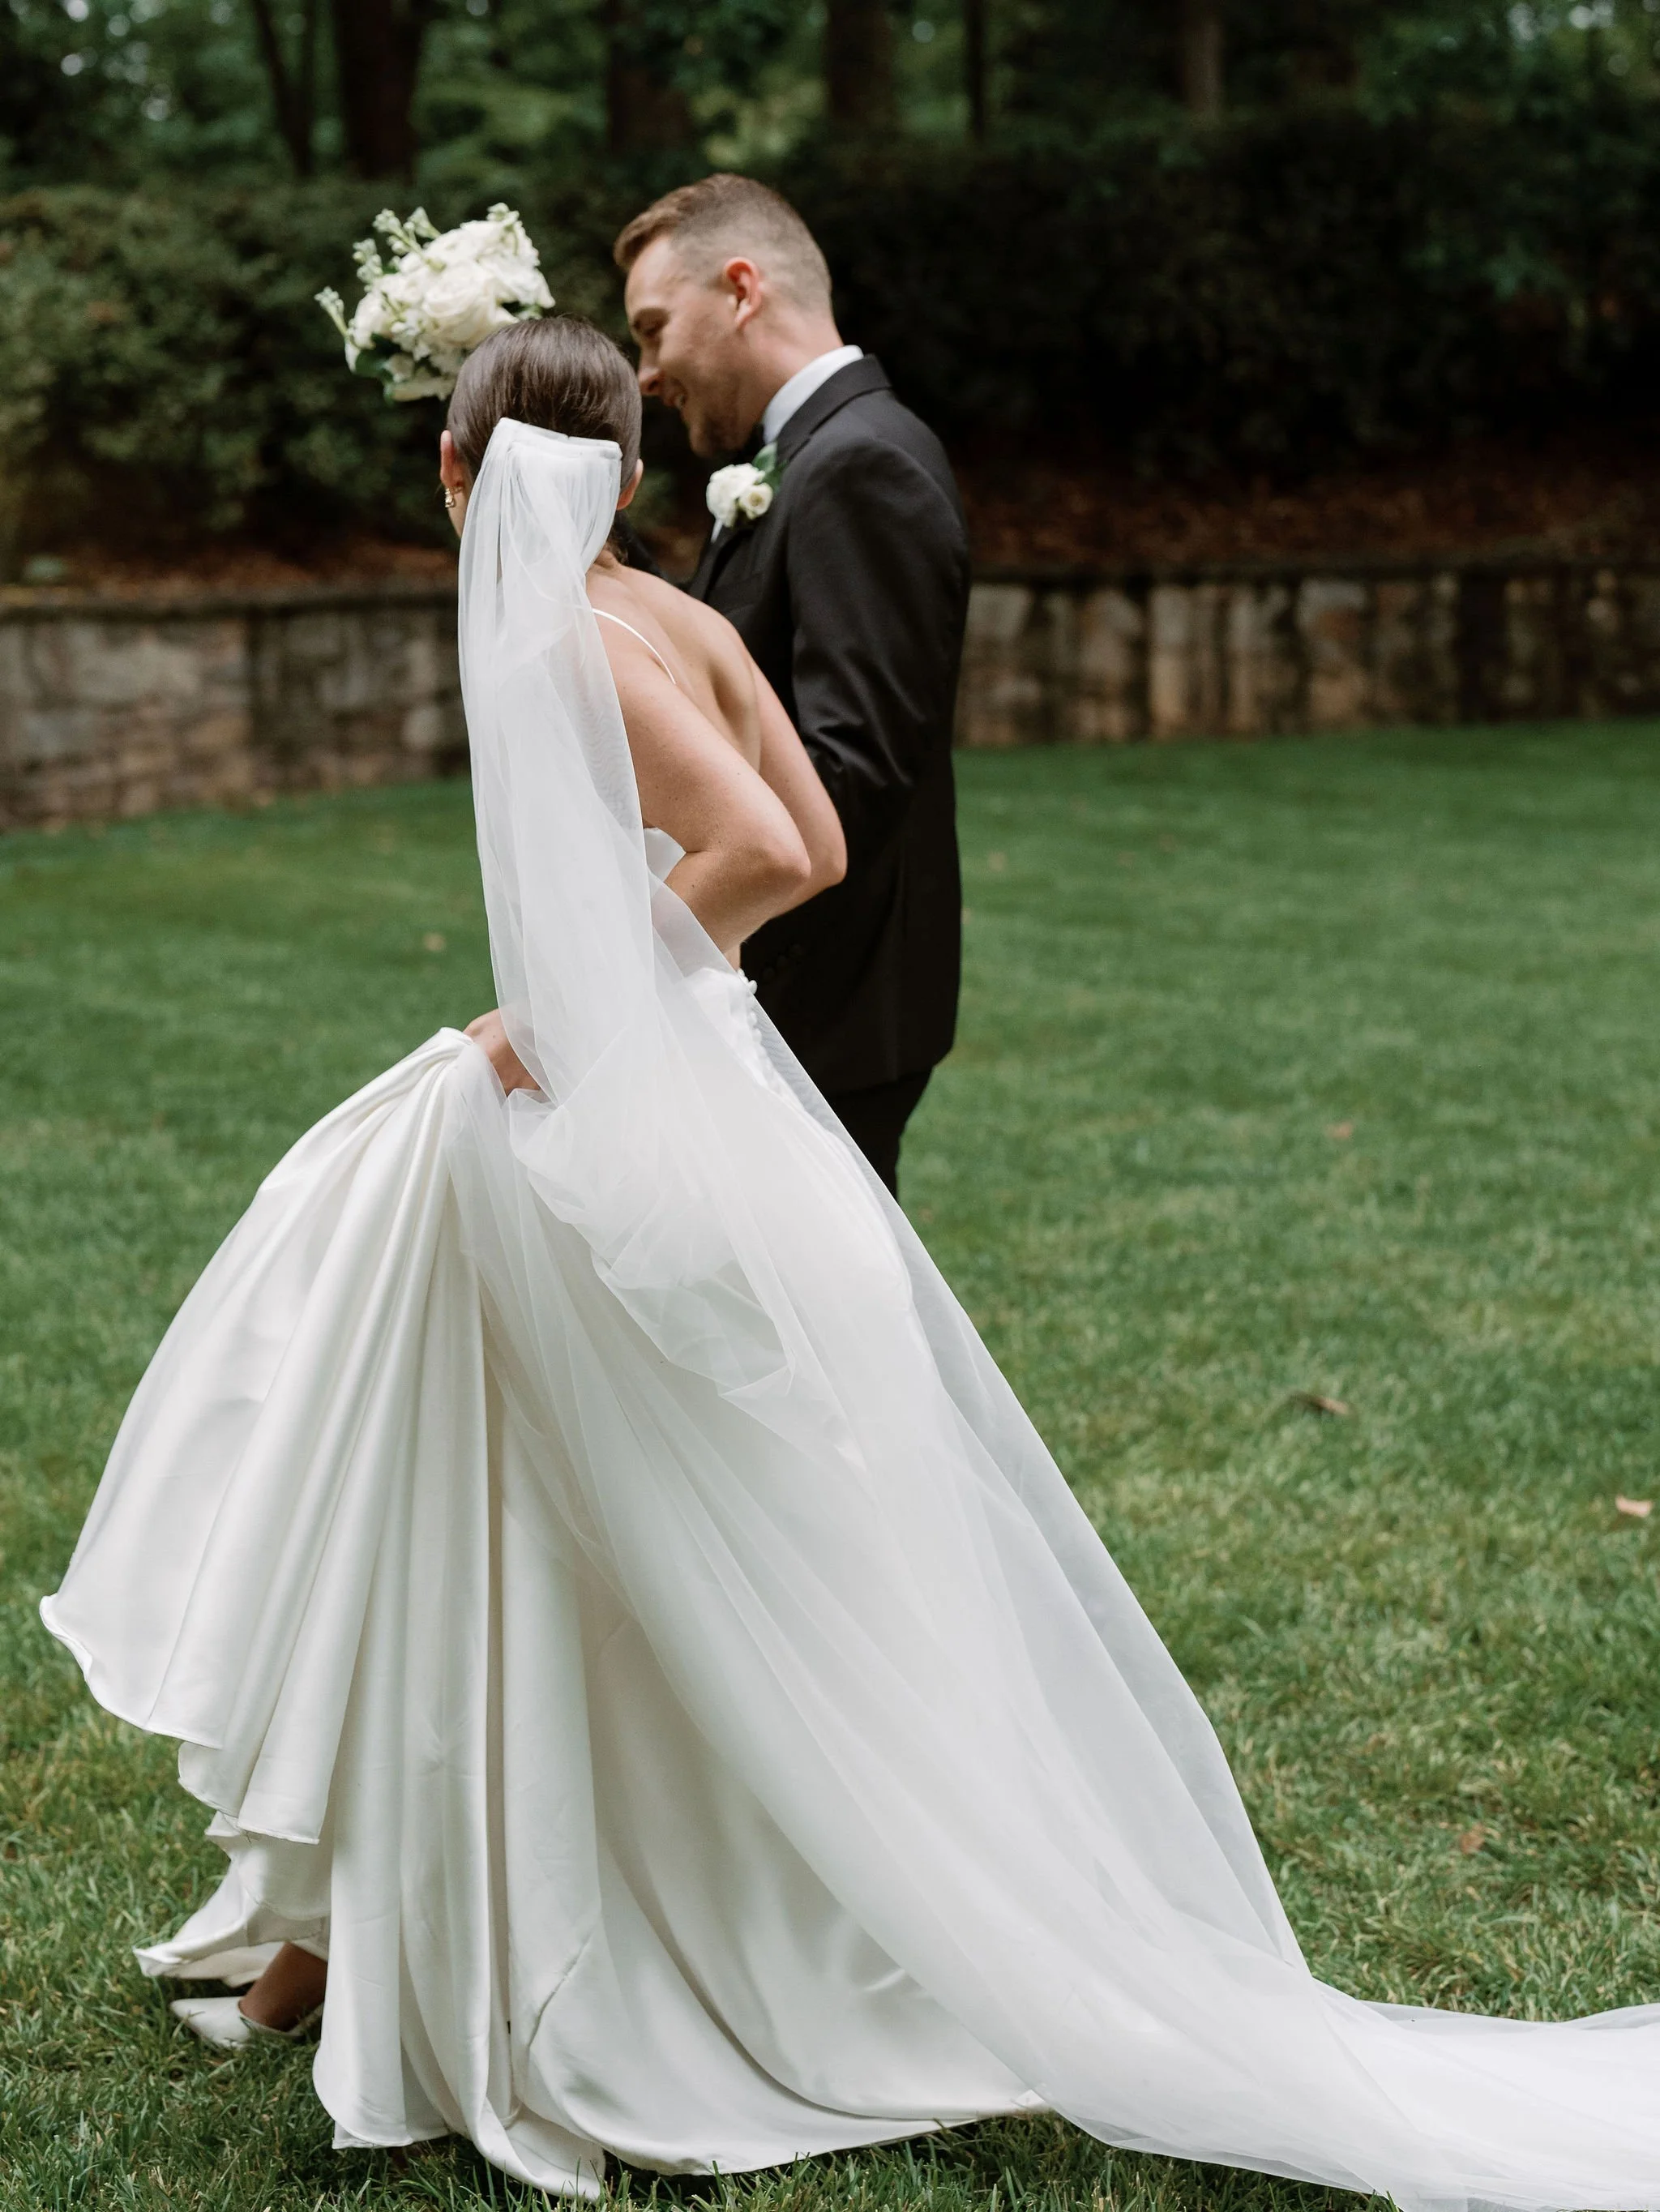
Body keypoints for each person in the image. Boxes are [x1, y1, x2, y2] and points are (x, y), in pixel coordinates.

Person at [41, 317, 1660, 2211]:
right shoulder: (676, 608)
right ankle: (337, 1946)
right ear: (631, 472)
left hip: (630, 1132)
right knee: (495, 1533)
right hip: (717, 1119)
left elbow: (752, 844)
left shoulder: (568, 626)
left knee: (515, 1525)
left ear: (466, 474)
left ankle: (590, 1942)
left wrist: (551, 1017)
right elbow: (811, 826)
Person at [616, 173, 968, 1196]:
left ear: (739, 289)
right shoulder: (811, 456)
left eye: (652, 329)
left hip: (823, 1005)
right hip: (787, 991)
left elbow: (851, 771)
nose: (644, 372)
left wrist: (704, 908)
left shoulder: (861, 466)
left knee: (829, 1344)